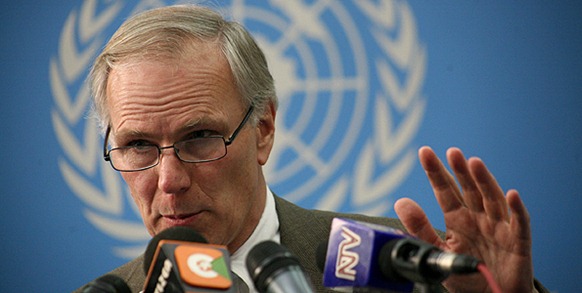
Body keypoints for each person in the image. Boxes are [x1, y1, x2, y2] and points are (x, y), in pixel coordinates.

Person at [77, 4, 548, 293]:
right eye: (137, 145)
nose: (169, 180)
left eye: (199, 137)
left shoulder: (404, 268)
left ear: (263, 129)